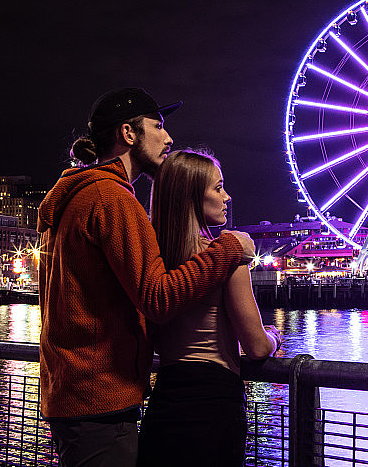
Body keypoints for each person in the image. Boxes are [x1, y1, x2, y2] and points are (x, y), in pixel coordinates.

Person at [37, 88, 256, 467]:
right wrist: (230, 249)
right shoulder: (113, 199)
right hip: (99, 397)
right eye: (158, 126)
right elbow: (157, 298)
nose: (168, 138)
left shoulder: (78, 197)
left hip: (72, 391)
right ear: (128, 133)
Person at [137, 149, 283, 467]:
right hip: (214, 400)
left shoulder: (152, 262)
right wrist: (274, 337)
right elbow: (256, 346)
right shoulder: (226, 258)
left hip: (165, 399)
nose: (227, 196)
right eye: (218, 188)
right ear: (192, 197)